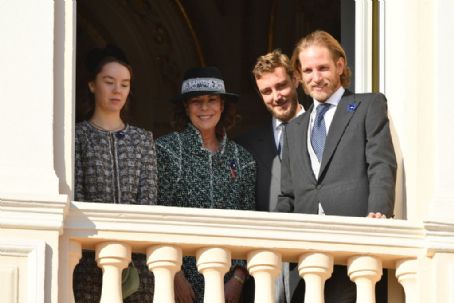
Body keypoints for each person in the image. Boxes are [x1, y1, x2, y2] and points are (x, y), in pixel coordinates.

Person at [277, 30, 397, 302]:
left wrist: (378, 214)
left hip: (354, 253)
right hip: (305, 259)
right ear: (299, 75)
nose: (315, 78)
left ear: (340, 66)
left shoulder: (368, 105)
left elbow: (381, 164)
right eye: (307, 70)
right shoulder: (294, 129)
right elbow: (288, 195)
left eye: (323, 68)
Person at [156, 66, 256, 303]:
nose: (205, 108)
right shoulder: (167, 150)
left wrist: (238, 280)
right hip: (179, 283)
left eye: (212, 100)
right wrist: (176, 276)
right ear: (185, 107)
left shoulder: (243, 160)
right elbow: (158, 217)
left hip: (228, 285)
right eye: (196, 101)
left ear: (222, 106)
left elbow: (249, 223)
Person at [73, 45, 157, 303]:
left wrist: (130, 248)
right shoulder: (77, 136)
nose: (117, 90)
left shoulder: (143, 139)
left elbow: (148, 201)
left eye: (124, 84)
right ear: (91, 85)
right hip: (88, 262)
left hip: (136, 265)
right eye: (109, 82)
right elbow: (77, 196)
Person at [236, 49, 304, 303]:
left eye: (281, 86)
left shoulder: (323, 129)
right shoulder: (246, 144)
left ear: (296, 79)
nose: (276, 96)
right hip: (263, 265)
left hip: (312, 257)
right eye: (267, 91)